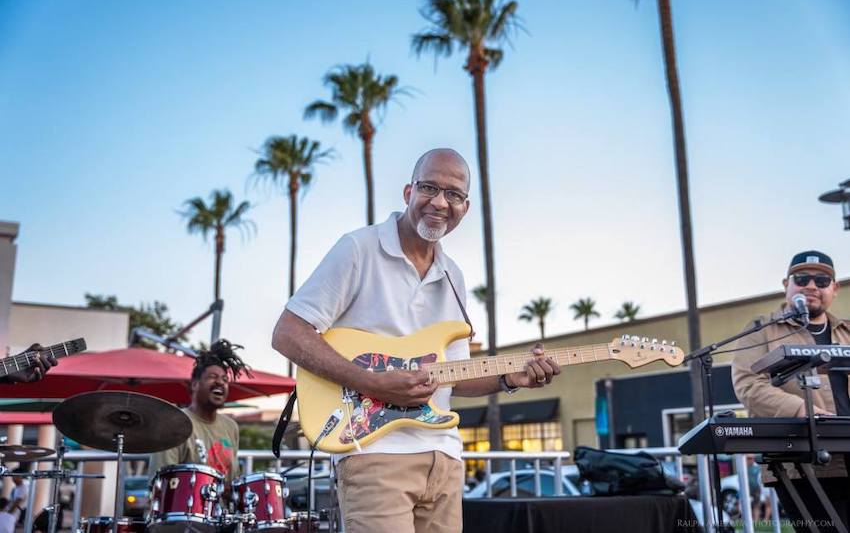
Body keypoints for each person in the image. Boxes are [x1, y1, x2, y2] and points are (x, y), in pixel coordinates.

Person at [272, 148, 562, 533]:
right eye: (429, 187)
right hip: (373, 453)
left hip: (444, 458)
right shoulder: (358, 249)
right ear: (409, 192)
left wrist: (511, 378)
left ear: (465, 207)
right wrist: (371, 382)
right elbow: (288, 332)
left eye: (454, 194)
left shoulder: (453, 276)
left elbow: (454, 376)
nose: (440, 202)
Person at [732, 250, 849, 532]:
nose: (811, 286)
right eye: (802, 278)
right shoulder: (762, 330)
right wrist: (804, 410)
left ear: (835, 288)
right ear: (787, 284)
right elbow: (748, 385)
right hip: (800, 460)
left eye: (822, 280)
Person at [149, 340, 248, 485]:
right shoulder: (172, 424)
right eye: (212, 377)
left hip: (225, 508)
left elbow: (233, 480)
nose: (220, 382)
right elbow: (160, 486)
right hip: (187, 507)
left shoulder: (230, 426)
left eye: (225, 379)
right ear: (195, 384)